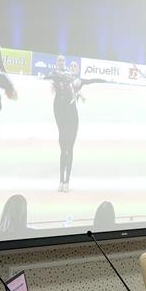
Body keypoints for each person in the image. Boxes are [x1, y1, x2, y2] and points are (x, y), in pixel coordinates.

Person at [44, 57, 105, 192]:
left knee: (70, 150)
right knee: (63, 151)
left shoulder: (78, 81)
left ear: (77, 70)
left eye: (74, 67)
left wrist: (106, 80)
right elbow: (52, 78)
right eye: (70, 66)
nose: (72, 68)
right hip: (62, 119)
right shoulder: (62, 79)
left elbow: (92, 81)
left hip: (73, 120)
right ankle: (61, 181)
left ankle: (67, 182)